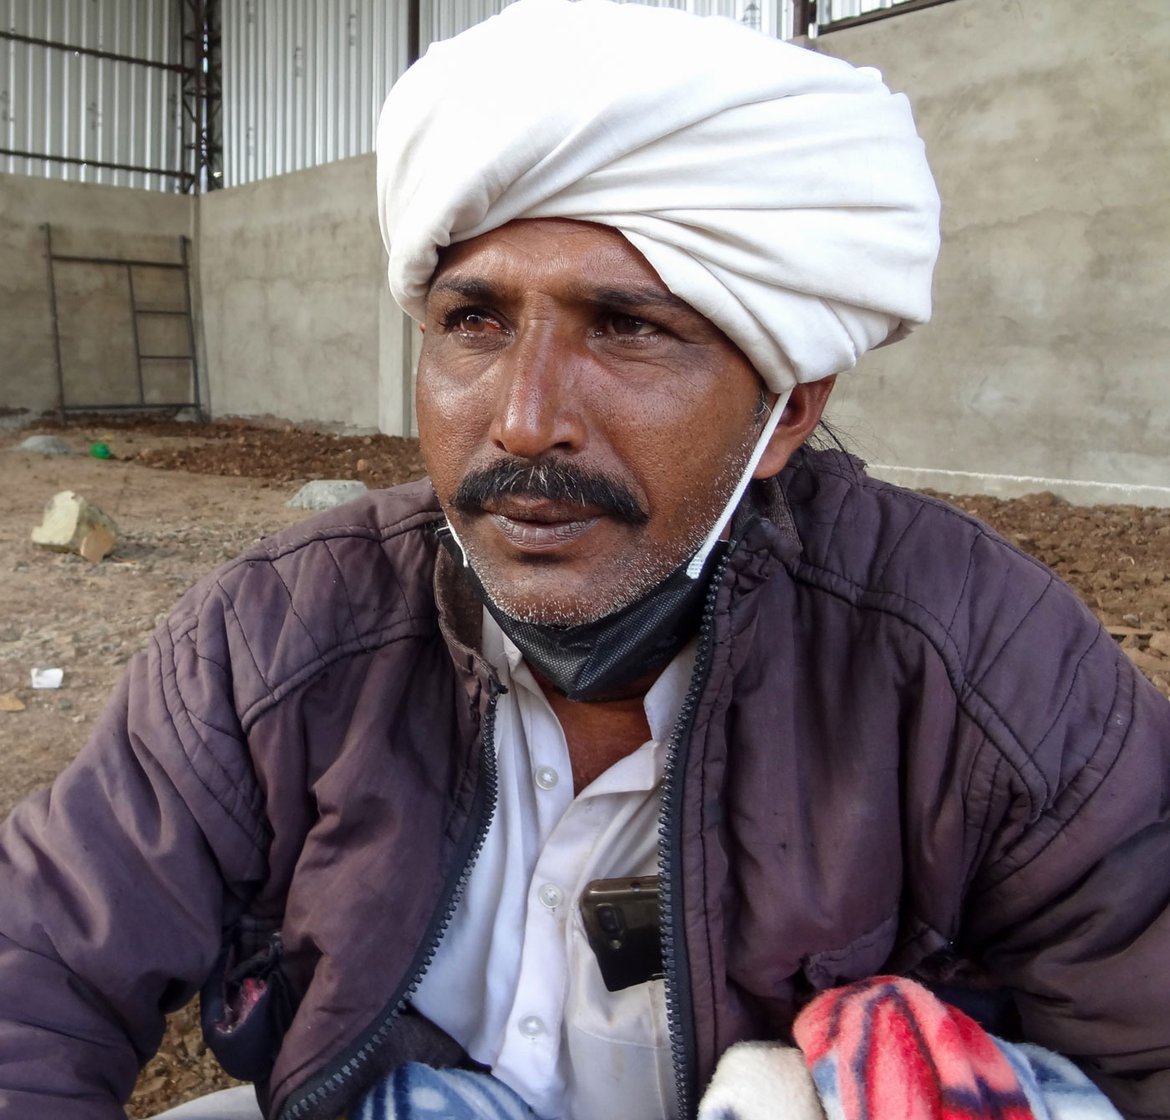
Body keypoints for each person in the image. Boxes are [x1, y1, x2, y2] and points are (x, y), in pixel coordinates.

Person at [1, 2, 1167, 1119]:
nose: (523, 419)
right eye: (476, 324)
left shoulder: (986, 675)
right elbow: (38, 967)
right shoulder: (277, 638)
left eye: (627, 328)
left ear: (790, 407)